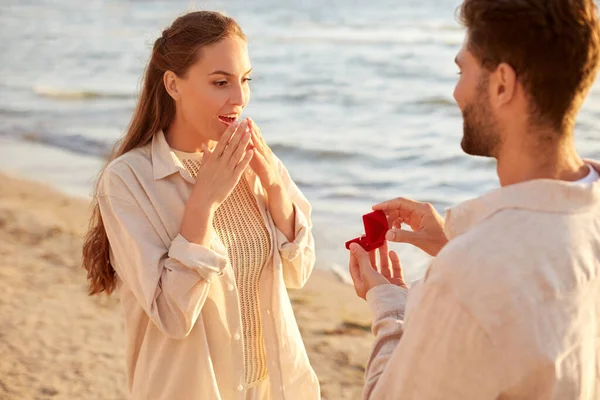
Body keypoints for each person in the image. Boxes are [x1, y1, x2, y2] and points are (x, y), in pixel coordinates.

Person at [348, 0, 600, 399]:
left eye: (462, 69)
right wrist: (455, 242)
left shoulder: (469, 276)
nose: (456, 92)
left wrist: (392, 307)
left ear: (502, 84)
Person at [81, 11, 320, 400]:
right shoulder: (128, 180)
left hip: (271, 389)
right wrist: (203, 203)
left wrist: (274, 186)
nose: (239, 98)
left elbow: (298, 271)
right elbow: (173, 316)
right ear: (174, 84)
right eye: (220, 82)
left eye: (245, 81)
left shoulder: (255, 161)